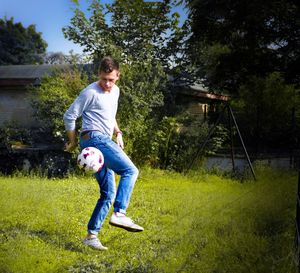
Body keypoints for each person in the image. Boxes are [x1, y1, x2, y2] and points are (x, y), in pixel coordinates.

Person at [63, 56, 144, 251]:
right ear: (98, 74)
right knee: (130, 171)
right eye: (103, 79)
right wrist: (73, 142)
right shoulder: (90, 92)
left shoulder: (115, 91)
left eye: (111, 79)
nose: (107, 83)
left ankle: (91, 236)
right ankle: (120, 213)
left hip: (104, 139)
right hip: (93, 139)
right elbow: (69, 115)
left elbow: (110, 114)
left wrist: (118, 132)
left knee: (108, 193)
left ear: (118, 76)